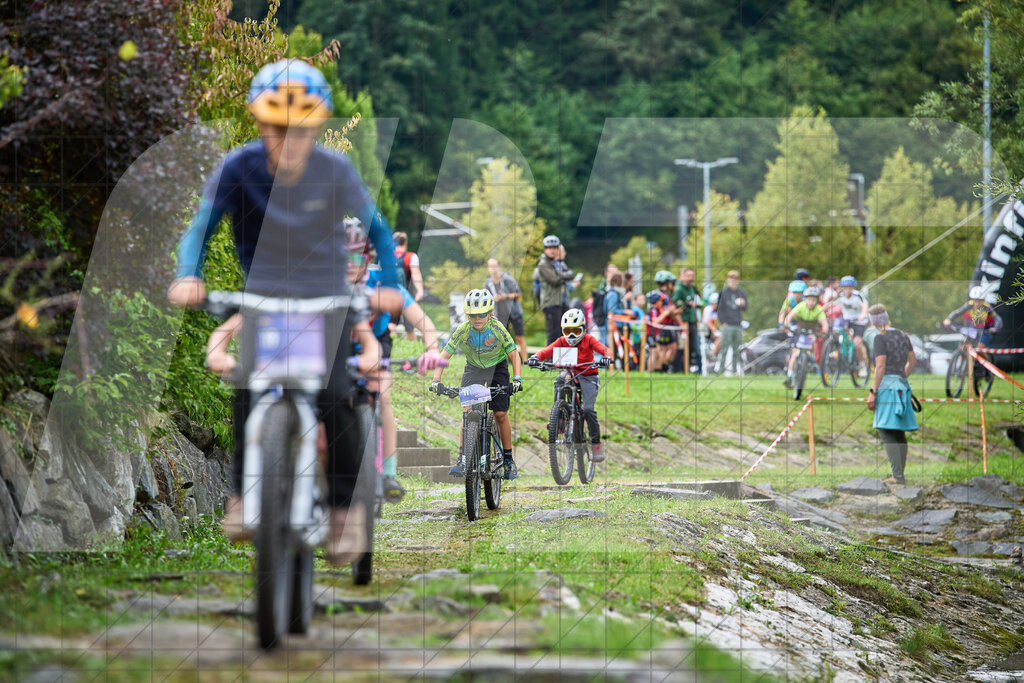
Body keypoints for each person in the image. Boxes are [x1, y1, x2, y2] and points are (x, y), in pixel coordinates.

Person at [167, 59, 402, 564]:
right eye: (276, 128)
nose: (287, 139)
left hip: (327, 298)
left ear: (317, 126)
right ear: (259, 123)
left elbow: (378, 229)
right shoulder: (238, 167)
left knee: (338, 395)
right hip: (265, 296)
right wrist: (189, 274)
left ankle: (343, 510)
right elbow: (201, 227)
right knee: (248, 386)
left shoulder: (335, 170)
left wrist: (394, 286)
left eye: (300, 128)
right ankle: (241, 494)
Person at [347, 221, 443, 503]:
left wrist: (432, 350)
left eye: (357, 258)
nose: (349, 265)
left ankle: (388, 472)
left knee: (383, 397)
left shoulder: (386, 285)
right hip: (338, 345)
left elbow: (425, 324)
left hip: (378, 344)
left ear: (368, 258)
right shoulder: (327, 283)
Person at [431, 289, 523, 480]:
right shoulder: (463, 329)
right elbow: (445, 355)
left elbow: (514, 354)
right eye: (472, 315)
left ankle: (508, 460)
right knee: (468, 412)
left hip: (497, 368)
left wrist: (517, 379)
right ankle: (462, 458)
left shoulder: (497, 328)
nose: (477, 319)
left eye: (481, 314)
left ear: (490, 313)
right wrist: (436, 380)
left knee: (500, 414)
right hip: (473, 368)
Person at [527, 309, 612, 461]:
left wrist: (607, 357)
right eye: (568, 331)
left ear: (584, 329)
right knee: (559, 380)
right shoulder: (562, 341)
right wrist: (535, 357)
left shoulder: (589, 339)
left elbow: (604, 349)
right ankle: (559, 418)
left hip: (588, 376)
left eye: (576, 330)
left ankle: (595, 444)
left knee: (588, 410)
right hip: (570, 372)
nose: (572, 335)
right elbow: (547, 351)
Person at [866, 304, 917, 485]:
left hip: (887, 387)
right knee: (898, 431)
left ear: (874, 322)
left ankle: (897, 476)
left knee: (885, 429)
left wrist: (873, 392)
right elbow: (912, 361)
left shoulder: (880, 338)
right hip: (902, 385)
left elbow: (880, 366)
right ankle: (899, 474)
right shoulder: (903, 335)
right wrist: (901, 376)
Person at [783, 286, 828, 388]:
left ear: (817, 301)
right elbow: (789, 317)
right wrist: (787, 325)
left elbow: (824, 324)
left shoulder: (818, 310)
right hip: (800, 331)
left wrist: (824, 331)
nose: (811, 302)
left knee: (813, 342)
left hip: (812, 332)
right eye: (809, 300)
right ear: (805, 299)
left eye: (813, 300)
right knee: (795, 353)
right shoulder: (801, 306)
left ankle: (810, 359)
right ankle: (789, 376)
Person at [484, 257, 527, 361]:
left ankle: (526, 362)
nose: (493, 268)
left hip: (514, 312)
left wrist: (506, 296)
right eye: (490, 266)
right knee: (503, 339)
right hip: (500, 315)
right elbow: (485, 299)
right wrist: (493, 299)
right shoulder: (487, 283)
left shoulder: (507, 279)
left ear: (498, 266)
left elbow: (518, 294)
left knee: (519, 337)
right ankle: (507, 362)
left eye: (494, 265)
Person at [537, 235, 575, 343]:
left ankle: (560, 359)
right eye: (549, 248)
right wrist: (563, 276)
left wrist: (560, 275)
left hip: (562, 302)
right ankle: (549, 359)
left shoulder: (557, 263)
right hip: (551, 303)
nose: (552, 250)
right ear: (545, 249)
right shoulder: (543, 264)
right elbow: (555, 280)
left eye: (554, 248)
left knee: (564, 334)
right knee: (553, 335)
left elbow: (571, 274)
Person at [833, 275, 870, 375]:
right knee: (836, 331)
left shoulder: (858, 295)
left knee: (857, 343)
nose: (847, 290)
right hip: (847, 320)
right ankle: (841, 350)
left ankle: (862, 365)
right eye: (845, 287)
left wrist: (862, 315)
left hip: (859, 321)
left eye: (850, 287)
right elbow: (831, 304)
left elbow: (864, 306)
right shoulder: (840, 296)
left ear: (853, 288)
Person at [646, 271, 681, 372]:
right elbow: (665, 313)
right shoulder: (661, 296)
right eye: (671, 283)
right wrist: (670, 311)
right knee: (658, 351)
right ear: (667, 283)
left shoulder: (665, 295)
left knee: (664, 350)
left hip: (664, 328)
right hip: (658, 329)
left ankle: (660, 369)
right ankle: (653, 371)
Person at [716, 271, 748, 375]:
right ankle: (721, 370)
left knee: (736, 349)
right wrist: (723, 322)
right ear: (728, 279)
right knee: (724, 348)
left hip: (737, 324)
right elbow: (719, 308)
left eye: (735, 279)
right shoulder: (724, 292)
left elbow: (745, 307)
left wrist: (743, 304)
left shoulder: (740, 292)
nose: (733, 281)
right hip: (727, 324)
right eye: (731, 278)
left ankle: (734, 370)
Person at [394, 232, 423, 341]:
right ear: (405, 242)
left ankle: (391, 347)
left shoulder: (387, 255)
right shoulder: (411, 257)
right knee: (409, 326)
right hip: (407, 294)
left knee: (390, 324)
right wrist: (420, 290)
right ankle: (410, 348)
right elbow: (415, 274)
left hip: (390, 293)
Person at [672, 267, 702, 373]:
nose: (691, 278)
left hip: (692, 322)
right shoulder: (678, 289)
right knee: (681, 348)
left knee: (692, 348)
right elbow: (674, 308)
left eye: (692, 276)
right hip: (682, 323)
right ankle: (676, 370)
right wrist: (685, 306)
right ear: (682, 276)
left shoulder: (693, 289)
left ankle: (687, 369)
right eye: (688, 276)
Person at [602, 273, 627, 360]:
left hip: (616, 325)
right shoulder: (613, 294)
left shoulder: (615, 293)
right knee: (613, 347)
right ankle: (611, 367)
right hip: (613, 325)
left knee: (615, 347)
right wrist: (625, 312)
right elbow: (611, 311)